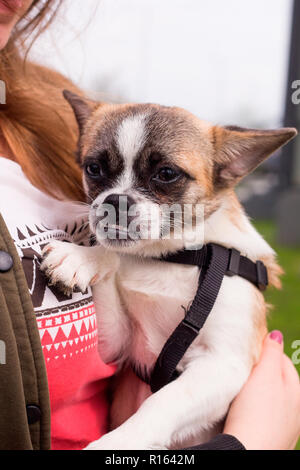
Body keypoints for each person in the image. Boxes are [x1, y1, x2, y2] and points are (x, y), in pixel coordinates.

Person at [0, 0, 299, 451]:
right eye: (99, 171)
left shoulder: (230, 264)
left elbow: (225, 367)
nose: (119, 200)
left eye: (164, 177)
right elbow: (114, 342)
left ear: (230, 167)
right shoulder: (126, 249)